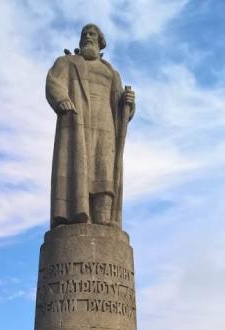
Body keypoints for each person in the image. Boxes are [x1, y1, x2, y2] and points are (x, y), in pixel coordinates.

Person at [46, 23, 135, 229]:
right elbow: (53, 82)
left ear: (100, 42)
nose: (87, 36)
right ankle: (73, 215)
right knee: (75, 166)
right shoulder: (67, 62)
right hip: (77, 121)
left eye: (92, 34)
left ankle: (103, 216)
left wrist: (128, 103)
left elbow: (120, 107)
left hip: (105, 124)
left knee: (104, 168)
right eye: (84, 34)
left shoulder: (110, 72)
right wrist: (61, 99)